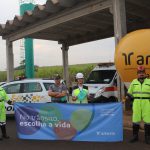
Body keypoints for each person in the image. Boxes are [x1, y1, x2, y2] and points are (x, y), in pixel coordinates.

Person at [126, 66, 150, 144]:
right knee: (135, 120)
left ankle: (147, 138)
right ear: (137, 74)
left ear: (145, 73)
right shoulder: (134, 82)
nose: (141, 74)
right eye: (140, 73)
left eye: (143, 72)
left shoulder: (149, 82)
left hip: (147, 103)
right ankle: (135, 136)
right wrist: (130, 99)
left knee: (148, 121)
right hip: (136, 103)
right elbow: (129, 93)